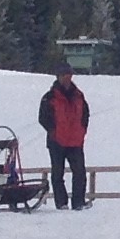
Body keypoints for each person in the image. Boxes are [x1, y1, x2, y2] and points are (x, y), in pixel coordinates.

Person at [38, 66, 92, 209]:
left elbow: (85, 115)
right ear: (58, 77)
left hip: (75, 141)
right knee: (57, 175)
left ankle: (78, 202)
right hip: (57, 141)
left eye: (69, 75)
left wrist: (81, 131)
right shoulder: (49, 97)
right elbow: (42, 118)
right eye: (64, 76)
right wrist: (54, 131)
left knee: (80, 173)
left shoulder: (79, 96)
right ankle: (61, 203)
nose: (67, 79)